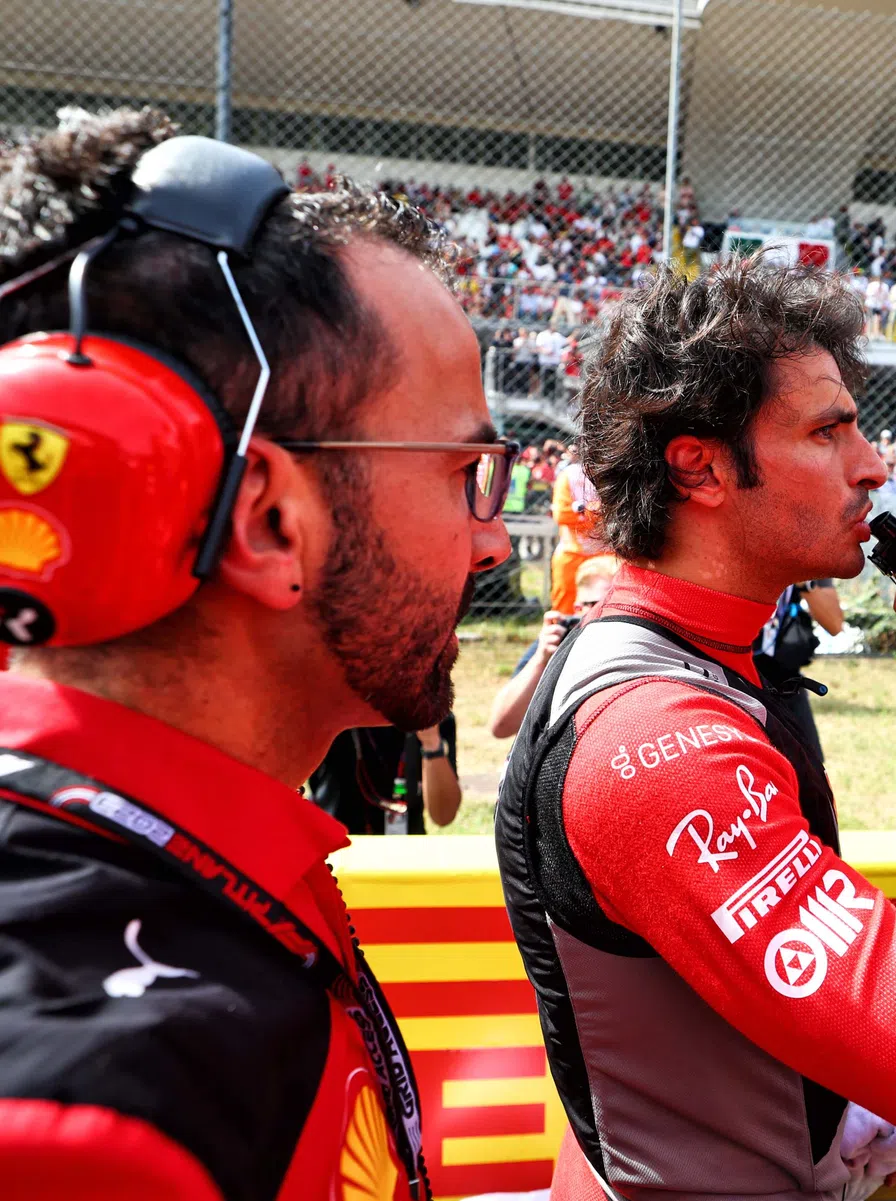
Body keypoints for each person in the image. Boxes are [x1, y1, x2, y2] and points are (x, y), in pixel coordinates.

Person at [0, 110, 511, 1198]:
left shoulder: (193, 870)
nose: (494, 536)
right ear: (271, 521)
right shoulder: (104, 1125)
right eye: (464, 474)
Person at [494, 257, 896, 1201]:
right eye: (827, 430)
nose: (872, 464)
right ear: (700, 466)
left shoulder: (713, 651)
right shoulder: (652, 736)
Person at [489, 555, 619, 740]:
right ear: (578, 609)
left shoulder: (646, 643)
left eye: (620, 605)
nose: (614, 616)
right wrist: (542, 659)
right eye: (600, 606)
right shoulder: (559, 641)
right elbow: (501, 727)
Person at [307, 716, 461, 834]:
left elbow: (443, 816)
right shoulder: (331, 715)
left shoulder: (432, 716)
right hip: (339, 855)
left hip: (403, 859)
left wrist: (432, 745)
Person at [752, 580, 845, 765]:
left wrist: (805, 583)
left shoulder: (807, 556)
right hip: (733, 678)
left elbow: (835, 624)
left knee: (812, 772)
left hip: (785, 683)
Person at [549, 451, 606, 614]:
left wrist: (583, 513)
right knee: (564, 609)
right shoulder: (570, 475)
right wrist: (595, 513)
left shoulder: (615, 473)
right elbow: (562, 514)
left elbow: (618, 514)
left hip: (606, 554)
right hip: (572, 553)